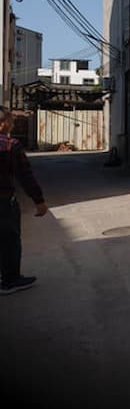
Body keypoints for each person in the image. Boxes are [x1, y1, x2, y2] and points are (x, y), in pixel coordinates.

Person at [0, 105, 49, 294]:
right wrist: (39, 201)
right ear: (3, 124)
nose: (13, 124)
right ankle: (10, 280)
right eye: (11, 120)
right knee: (9, 240)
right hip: (4, 201)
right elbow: (25, 176)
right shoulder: (11, 146)